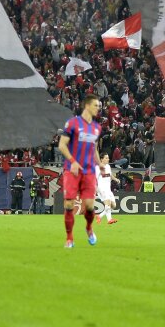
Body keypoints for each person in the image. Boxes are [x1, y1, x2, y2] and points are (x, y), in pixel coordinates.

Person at [58, 96, 103, 248]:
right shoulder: (72, 123)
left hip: (89, 171)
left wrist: (100, 164)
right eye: (96, 105)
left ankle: (89, 228)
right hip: (72, 170)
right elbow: (62, 145)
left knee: (89, 206)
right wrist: (73, 161)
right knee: (69, 203)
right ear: (87, 105)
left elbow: (94, 148)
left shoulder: (97, 127)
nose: (98, 108)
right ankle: (69, 237)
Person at [96, 154, 119, 225]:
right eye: (106, 158)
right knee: (108, 203)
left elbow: (110, 175)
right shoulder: (98, 167)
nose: (108, 159)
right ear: (101, 159)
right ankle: (109, 219)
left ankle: (99, 216)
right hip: (101, 188)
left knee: (113, 205)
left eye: (108, 158)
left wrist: (115, 179)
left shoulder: (108, 166)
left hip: (108, 189)